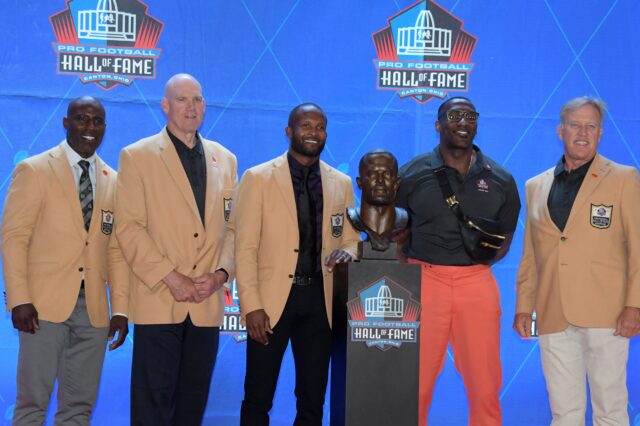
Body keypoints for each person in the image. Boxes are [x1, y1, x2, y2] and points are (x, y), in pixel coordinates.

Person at [114, 73, 237, 426]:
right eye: (182, 99)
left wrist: (220, 275)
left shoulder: (225, 159)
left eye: (197, 99)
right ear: (165, 106)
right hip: (159, 299)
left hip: (206, 303)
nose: (191, 107)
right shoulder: (137, 156)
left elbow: (234, 229)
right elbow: (129, 228)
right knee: (151, 407)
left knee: (191, 407)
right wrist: (171, 277)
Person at [1, 96, 129, 425]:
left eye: (97, 121)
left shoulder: (113, 180)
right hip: (42, 309)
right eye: (81, 119)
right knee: (32, 405)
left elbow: (114, 249)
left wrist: (122, 309)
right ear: (65, 122)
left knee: (79, 409)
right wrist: (19, 299)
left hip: (95, 314)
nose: (89, 127)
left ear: (104, 128)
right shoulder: (34, 169)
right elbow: (14, 238)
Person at [513, 96, 640, 425]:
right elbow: (531, 255)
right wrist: (524, 307)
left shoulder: (624, 178)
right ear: (560, 130)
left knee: (610, 409)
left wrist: (635, 305)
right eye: (575, 125)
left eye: (591, 126)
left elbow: (638, 248)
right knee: (563, 412)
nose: (582, 132)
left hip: (607, 316)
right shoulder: (535, 186)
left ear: (600, 133)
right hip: (553, 313)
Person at [396, 97, 521, 425]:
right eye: (454, 116)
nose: (463, 122)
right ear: (438, 125)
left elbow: (505, 238)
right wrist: (420, 268)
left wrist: (474, 266)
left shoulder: (501, 179)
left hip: (476, 283)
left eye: (470, 116)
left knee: (485, 386)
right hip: (423, 281)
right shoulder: (411, 173)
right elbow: (396, 231)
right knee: (413, 385)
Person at [235, 102, 360, 425]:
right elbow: (245, 247)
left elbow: (351, 238)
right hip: (271, 302)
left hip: (321, 301)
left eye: (320, 127)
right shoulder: (258, 178)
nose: (313, 133)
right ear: (289, 131)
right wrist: (251, 306)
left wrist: (349, 251)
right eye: (305, 126)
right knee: (258, 396)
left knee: (312, 399)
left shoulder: (341, 183)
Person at [346, 149, 408, 251]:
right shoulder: (350, 216)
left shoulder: (404, 219)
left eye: (387, 174)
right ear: (359, 182)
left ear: (396, 183)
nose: (380, 180)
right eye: (372, 174)